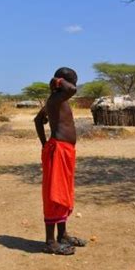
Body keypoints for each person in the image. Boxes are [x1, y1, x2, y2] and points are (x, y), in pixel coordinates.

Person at [34, 67, 87, 255]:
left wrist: (43, 143)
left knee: (63, 193)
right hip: (58, 151)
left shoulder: (57, 100)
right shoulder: (57, 98)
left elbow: (38, 120)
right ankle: (50, 242)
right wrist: (57, 81)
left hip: (64, 151)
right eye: (72, 81)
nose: (74, 86)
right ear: (62, 83)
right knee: (55, 194)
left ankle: (62, 235)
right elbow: (71, 90)